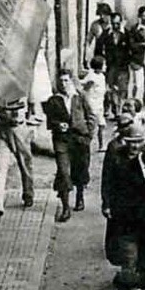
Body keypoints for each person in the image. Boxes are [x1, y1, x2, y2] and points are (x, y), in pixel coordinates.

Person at [100, 127, 145, 274]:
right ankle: (127, 284)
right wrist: (107, 204)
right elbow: (109, 182)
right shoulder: (122, 164)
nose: (135, 146)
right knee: (129, 256)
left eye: (138, 142)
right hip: (128, 220)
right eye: (131, 142)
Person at [42, 69, 96, 221]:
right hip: (62, 141)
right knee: (63, 171)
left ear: (72, 82)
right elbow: (50, 122)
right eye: (61, 81)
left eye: (66, 81)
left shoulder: (79, 97)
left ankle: (80, 196)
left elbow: (91, 115)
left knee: (80, 168)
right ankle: (65, 207)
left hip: (80, 139)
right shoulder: (54, 101)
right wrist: (58, 125)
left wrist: (89, 134)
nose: (64, 84)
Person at [0, 91, 35, 217]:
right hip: (3, 134)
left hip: (20, 133)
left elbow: (23, 113)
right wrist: (3, 121)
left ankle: (28, 194)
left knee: (25, 165)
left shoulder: (21, 92)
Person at [80, 57, 108, 151]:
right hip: (93, 104)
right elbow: (85, 89)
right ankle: (86, 144)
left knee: (102, 125)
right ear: (98, 67)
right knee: (92, 126)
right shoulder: (92, 77)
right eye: (104, 65)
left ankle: (101, 145)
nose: (105, 66)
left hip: (100, 104)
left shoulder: (102, 76)